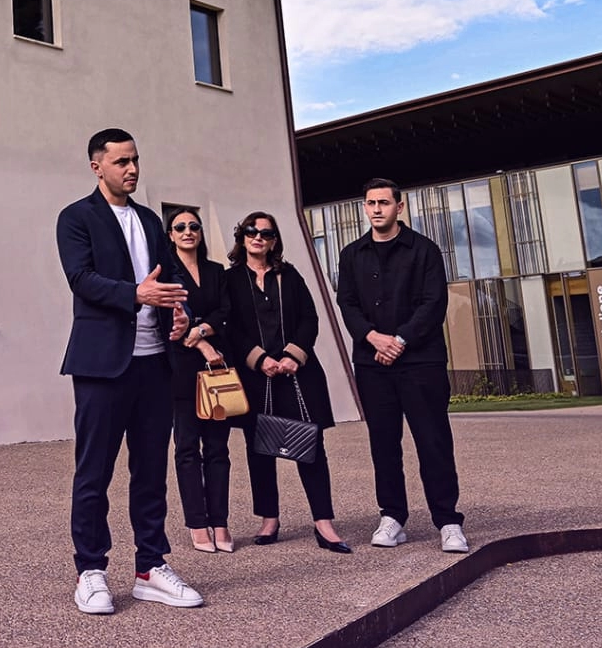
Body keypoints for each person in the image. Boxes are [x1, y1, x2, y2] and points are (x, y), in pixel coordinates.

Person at [56, 128, 205, 615]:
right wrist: (136, 295)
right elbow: (82, 279)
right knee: (93, 471)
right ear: (97, 166)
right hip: (102, 366)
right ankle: (91, 571)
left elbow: (171, 278)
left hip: (154, 364)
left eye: (136, 160)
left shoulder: (149, 220)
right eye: (121, 161)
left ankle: (150, 567)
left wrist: (176, 313)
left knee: (150, 472)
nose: (132, 169)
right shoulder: (76, 218)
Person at [334, 178, 469, 554]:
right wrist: (373, 337)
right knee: (384, 445)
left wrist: (399, 341)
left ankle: (448, 521)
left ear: (399, 206)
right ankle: (392, 517)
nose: (376, 209)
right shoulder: (351, 254)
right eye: (370, 203)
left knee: (434, 442)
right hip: (372, 364)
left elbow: (433, 303)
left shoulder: (424, 251)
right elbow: (347, 303)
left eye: (384, 202)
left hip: (420, 362)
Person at [219, 211, 350, 552]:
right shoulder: (230, 280)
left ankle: (324, 523)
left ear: (274, 240)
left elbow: (310, 317)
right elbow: (230, 327)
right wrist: (259, 359)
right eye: (251, 231)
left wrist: (293, 355)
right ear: (242, 237)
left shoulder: (289, 275)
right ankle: (269, 519)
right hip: (256, 376)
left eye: (265, 232)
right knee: (260, 450)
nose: (258, 237)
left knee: (311, 448)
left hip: (297, 374)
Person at [163, 208, 235, 553]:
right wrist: (199, 340)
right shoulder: (166, 274)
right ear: (171, 235)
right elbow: (165, 320)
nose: (188, 231)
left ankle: (220, 522)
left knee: (218, 448)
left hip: (217, 368)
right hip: (181, 369)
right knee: (188, 448)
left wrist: (202, 330)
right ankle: (197, 523)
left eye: (194, 226)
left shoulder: (216, 271)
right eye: (180, 227)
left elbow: (226, 311)